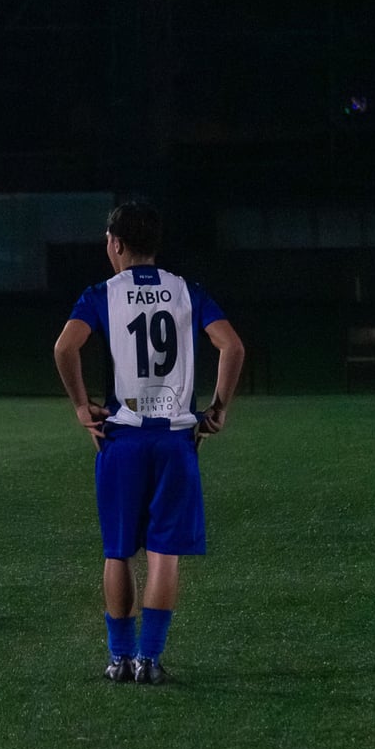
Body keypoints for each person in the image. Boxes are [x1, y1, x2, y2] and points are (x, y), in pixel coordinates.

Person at [53, 199, 244, 684]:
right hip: (176, 441)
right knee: (164, 553)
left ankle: (119, 657)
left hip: (123, 439)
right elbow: (232, 346)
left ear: (116, 244)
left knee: (118, 551)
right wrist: (219, 408)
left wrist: (81, 406)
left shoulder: (102, 294)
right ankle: (150, 660)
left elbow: (65, 347)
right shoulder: (186, 291)